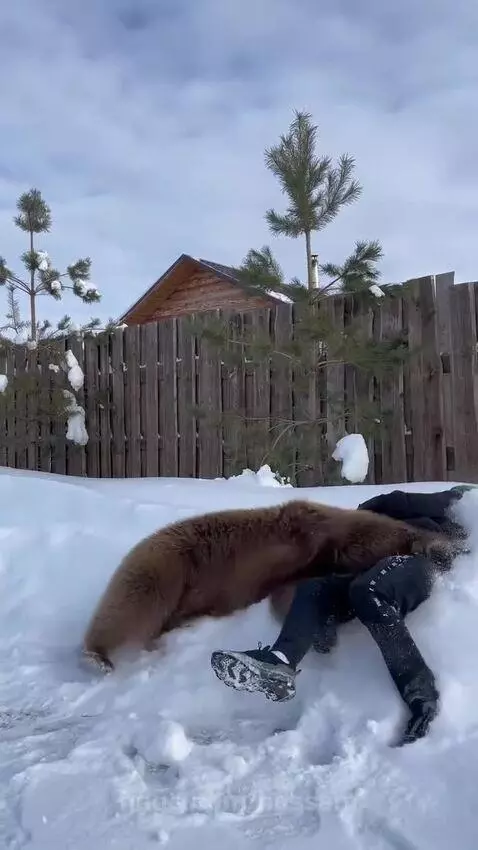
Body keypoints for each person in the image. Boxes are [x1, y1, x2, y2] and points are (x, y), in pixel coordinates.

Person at [210, 485, 475, 746]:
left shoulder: (458, 501)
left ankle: (422, 695)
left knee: (368, 590)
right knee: (315, 584)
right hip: (376, 558)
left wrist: (363, 513)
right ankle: (280, 662)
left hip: (421, 558)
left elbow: (396, 500)